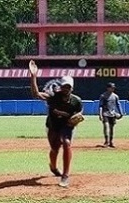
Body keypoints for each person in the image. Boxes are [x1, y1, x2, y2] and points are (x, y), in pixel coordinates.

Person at [29, 60, 83, 188]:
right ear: (61, 86)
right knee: (55, 148)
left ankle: (65, 176)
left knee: (67, 143)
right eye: (64, 86)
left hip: (66, 126)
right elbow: (36, 94)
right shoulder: (53, 97)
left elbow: (80, 111)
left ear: (72, 88)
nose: (66, 89)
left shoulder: (76, 101)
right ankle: (53, 167)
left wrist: (77, 118)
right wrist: (33, 77)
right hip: (53, 126)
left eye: (68, 87)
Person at [99, 82, 124, 148]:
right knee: (106, 127)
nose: (113, 89)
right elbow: (100, 106)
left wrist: (121, 113)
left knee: (111, 128)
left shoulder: (115, 96)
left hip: (113, 114)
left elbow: (118, 104)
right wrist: (100, 114)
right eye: (111, 87)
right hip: (105, 113)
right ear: (108, 88)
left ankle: (111, 142)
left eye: (113, 88)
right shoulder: (103, 96)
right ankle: (106, 141)